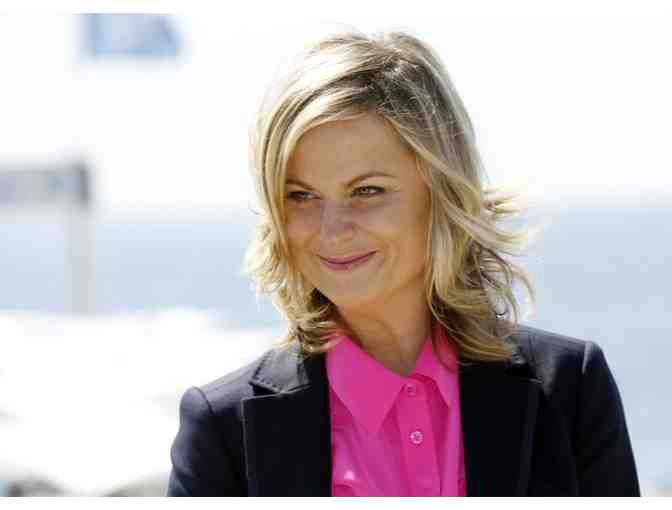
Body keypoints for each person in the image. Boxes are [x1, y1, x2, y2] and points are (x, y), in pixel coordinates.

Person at [166, 27, 640, 497]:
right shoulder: (222, 432)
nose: (331, 230)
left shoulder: (571, 389)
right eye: (301, 195)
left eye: (366, 190)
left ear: (441, 191)